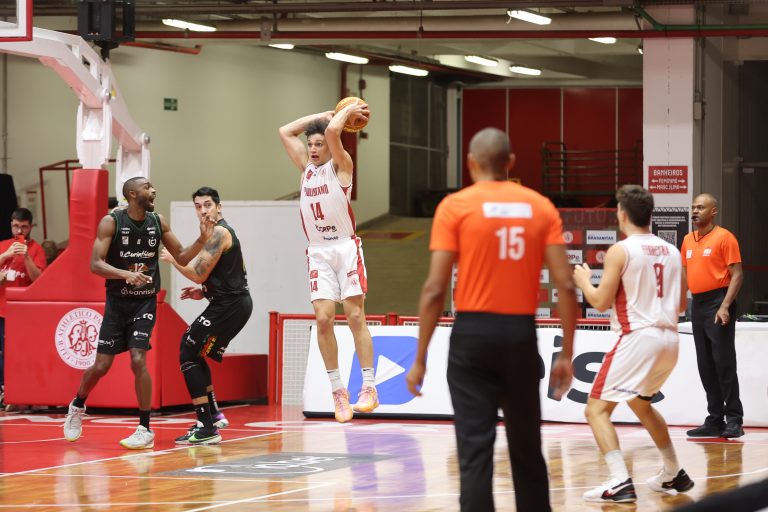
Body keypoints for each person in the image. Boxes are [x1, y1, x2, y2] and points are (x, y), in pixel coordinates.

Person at [405, 127, 577, 512]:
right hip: (519, 336)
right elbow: (566, 285)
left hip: (472, 336)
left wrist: (419, 357)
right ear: (510, 163)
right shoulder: (539, 206)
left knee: (474, 452)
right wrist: (566, 353)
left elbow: (434, 290)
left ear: (470, 163)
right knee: (527, 450)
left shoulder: (455, 206)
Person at [63, 177, 215, 449]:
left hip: (145, 302)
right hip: (117, 303)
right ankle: (78, 404)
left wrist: (202, 239)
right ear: (133, 194)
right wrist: (125, 274)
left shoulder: (158, 221)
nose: (153, 190)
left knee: (138, 359)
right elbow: (95, 264)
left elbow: (181, 256)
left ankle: (145, 428)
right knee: (101, 366)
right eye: (147, 187)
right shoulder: (111, 222)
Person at [573, 185, 694, 503]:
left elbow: (600, 302)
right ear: (650, 214)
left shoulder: (621, 250)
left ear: (622, 214)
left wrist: (584, 281)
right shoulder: (672, 251)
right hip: (670, 340)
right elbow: (682, 305)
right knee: (640, 404)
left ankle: (620, 482)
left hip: (639, 337)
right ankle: (673, 472)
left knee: (595, 410)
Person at [278, 100, 379, 423]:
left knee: (355, 316)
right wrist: (320, 116)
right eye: (310, 144)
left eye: (319, 144)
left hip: (345, 248)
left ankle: (369, 386)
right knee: (323, 320)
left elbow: (335, 132)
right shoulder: (306, 169)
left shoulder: (341, 166)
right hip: (318, 251)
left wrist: (343, 113)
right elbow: (285, 131)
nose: (313, 149)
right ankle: (338, 391)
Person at [160, 187, 253, 445]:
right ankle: (213, 416)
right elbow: (224, 274)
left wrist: (173, 260)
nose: (203, 210)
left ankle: (206, 426)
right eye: (198, 206)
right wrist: (204, 292)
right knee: (194, 352)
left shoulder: (219, 233)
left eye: (208, 205)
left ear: (219, 207)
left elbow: (198, 272)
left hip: (230, 306)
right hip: (229, 303)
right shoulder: (213, 233)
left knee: (187, 350)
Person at [681, 193, 744, 438]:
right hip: (698, 303)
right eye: (693, 207)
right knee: (705, 363)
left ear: (713, 211)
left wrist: (725, 306)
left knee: (723, 361)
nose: (695, 211)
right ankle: (715, 419)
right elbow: (685, 275)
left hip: (719, 301)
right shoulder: (687, 240)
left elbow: (737, 275)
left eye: (700, 207)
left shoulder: (725, 237)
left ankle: (734, 419)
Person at [0, 208, 48, 407]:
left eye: (24, 227)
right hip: (2, 309)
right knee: (2, 353)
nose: (19, 230)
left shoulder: (37, 249)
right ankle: (4, 389)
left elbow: (39, 280)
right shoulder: (3, 245)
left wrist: (26, 256)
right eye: (16, 226)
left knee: (19, 353)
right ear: (11, 224)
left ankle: (20, 392)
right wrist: (6, 255)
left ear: (30, 227)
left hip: (23, 313)